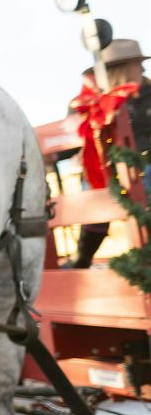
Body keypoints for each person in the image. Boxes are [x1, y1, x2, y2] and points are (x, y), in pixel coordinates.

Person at [63, 38, 148, 268]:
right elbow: (70, 139)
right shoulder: (88, 103)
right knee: (94, 192)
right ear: (121, 69)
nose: (143, 68)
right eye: (137, 64)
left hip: (142, 169)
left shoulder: (147, 94)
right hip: (102, 171)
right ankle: (82, 259)